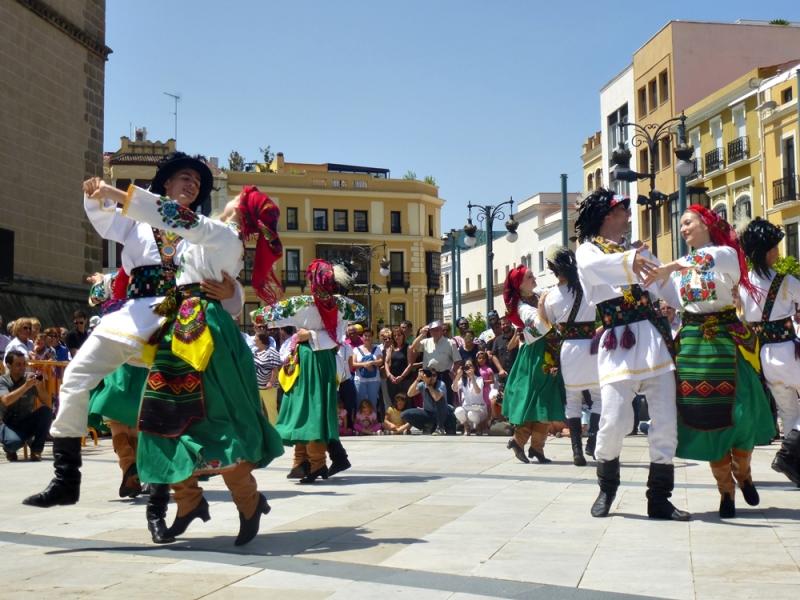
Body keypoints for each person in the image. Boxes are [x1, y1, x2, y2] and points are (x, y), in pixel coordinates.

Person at [79, 181, 286, 546]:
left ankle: (248, 501)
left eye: (238, 198)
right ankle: (189, 501)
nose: (230, 199)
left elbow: (174, 217)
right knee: (163, 418)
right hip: (181, 323)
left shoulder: (220, 233)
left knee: (215, 419)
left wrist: (113, 192)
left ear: (241, 211)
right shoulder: (214, 235)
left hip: (206, 331)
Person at [645, 206, 776, 518]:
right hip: (692, 343)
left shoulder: (726, 254)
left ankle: (742, 471)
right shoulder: (682, 269)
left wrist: (670, 267)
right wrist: (645, 264)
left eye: (688, 222)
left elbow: (705, 260)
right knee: (703, 418)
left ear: (706, 223)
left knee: (739, 413)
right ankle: (725, 490)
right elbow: (665, 289)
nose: (683, 229)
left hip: (725, 340)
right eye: (681, 225)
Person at [574, 188, 688, 521]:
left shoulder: (640, 253)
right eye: (623, 210)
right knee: (612, 420)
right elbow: (598, 269)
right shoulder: (587, 251)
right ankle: (606, 487)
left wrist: (703, 299)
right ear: (608, 216)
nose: (628, 216)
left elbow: (670, 291)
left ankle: (659, 498)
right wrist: (632, 260)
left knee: (665, 422)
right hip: (618, 343)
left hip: (653, 340)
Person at [253, 259, 365, 483]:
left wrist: (310, 335)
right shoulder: (342, 305)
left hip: (308, 358)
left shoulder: (302, 303)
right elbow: (361, 312)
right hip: (324, 360)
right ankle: (304, 461)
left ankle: (315, 464)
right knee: (314, 406)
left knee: (308, 408)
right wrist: (324, 334)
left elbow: (258, 316)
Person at [740, 217, 800, 486]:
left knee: (788, 410)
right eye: (775, 247)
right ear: (765, 250)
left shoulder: (744, 284)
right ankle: (788, 455)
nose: (778, 252)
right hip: (789, 351)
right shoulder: (786, 282)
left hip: (764, 356)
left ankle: (795, 465)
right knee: (790, 411)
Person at [500, 265, 565, 464]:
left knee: (544, 399)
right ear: (520, 284)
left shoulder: (537, 294)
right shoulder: (522, 306)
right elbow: (540, 325)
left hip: (547, 351)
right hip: (535, 355)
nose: (534, 278)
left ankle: (532, 446)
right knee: (539, 399)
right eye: (529, 277)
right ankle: (524, 442)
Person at [542, 247, 600, 467]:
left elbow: (548, 324)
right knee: (599, 397)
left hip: (568, 349)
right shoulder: (588, 288)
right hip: (591, 346)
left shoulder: (551, 296)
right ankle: (592, 438)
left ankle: (577, 451)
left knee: (573, 400)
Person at [1, 350, 51, 462]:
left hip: (25, 421)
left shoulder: (30, 378)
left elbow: (47, 402)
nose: (23, 367)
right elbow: (6, 400)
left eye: (24, 364)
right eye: (18, 364)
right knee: (13, 443)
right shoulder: (2, 381)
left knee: (46, 411)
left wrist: (39, 387)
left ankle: (36, 450)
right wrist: (26, 386)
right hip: (7, 424)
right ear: (9, 365)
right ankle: (11, 448)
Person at [411, 321, 462, 406]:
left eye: (438, 330)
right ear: (430, 331)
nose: (435, 332)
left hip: (444, 375)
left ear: (442, 330)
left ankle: (447, 418)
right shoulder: (426, 342)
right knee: (429, 400)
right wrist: (422, 334)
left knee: (446, 400)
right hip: (428, 375)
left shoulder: (450, 343)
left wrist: (453, 372)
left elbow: (458, 361)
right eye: (433, 330)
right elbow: (413, 347)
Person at [404, 368, 453, 435]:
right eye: (430, 375)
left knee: (440, 400)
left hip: (443, 415)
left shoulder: (441, 384)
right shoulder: (422, 384)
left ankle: (440, 427)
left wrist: (429, 385)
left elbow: (437, 398)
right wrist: (418, 379)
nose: (432, 377)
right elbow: (409, 394)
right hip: (429, 414)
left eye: (434, 375)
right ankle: (427, 426)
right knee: (405, 414)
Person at [352, 328, 383, 415]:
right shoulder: (356, 350)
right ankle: (359, 424)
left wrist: (371, 362)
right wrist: (364, 365)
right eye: (365, 335)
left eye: (369, 336)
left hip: (374, 380)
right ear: (362, 337)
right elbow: (353, 364)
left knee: (373, 402)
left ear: (372, 337)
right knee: (360, 402)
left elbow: (380, 361)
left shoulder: (377, 349)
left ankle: (373, 423)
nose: (367, 338)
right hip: (360, 380)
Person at [254, 331, 282, 425]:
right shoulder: (255, 352)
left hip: (268, 387)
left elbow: (275, 369)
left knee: (271, 410)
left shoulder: (271, 352)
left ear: (261, 340)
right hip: (256, 387)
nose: (254, 339)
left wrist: (271, 382)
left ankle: (276, 430)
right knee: (258, 410)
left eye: (256, 338)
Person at [453, 359, 488, 435]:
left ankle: (479, 426)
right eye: (466, 366)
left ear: (474, 368)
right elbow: (454, 388)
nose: (468, 367)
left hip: (478, 409)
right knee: (458, 411)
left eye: (470, 366)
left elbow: (477, 391)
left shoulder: (479, 379)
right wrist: (458, 376)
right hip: (467, 407)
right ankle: (466, 426)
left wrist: (472, 378)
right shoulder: (463, 380)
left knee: (471, 414)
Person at [384, 327, 413, 402]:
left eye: (399, 335)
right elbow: (386, 362)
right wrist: (389, 375)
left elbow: (410, 364)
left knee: (405, 402)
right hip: (392, 380)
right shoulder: (391, 347)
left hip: (405, 380)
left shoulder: (408, 347)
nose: (397, 337)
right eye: (395, 335)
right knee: (394, 402)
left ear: (403, 336)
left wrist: (402, 377)